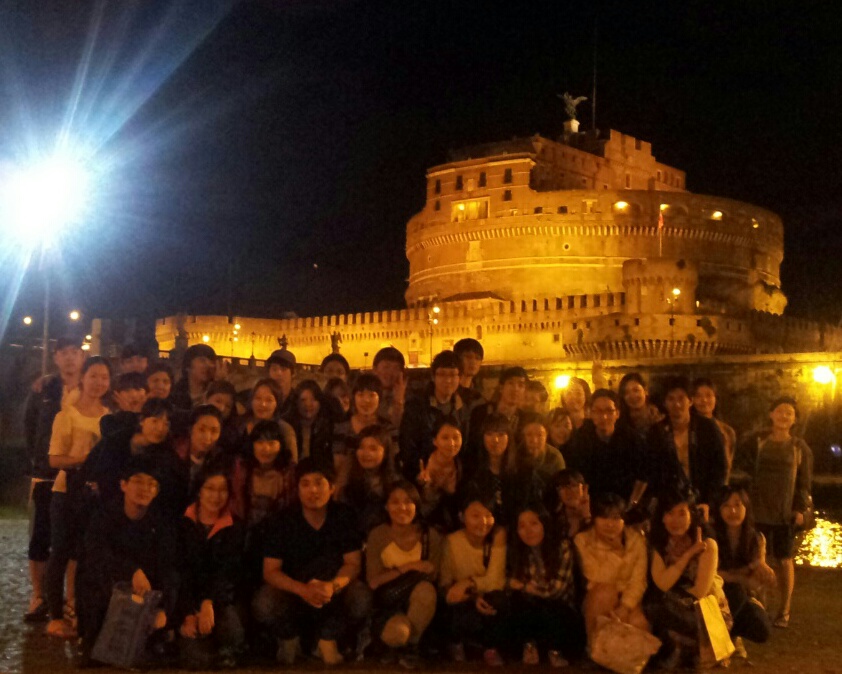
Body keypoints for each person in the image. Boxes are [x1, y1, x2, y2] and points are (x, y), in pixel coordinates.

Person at [252, 458, 372, 665]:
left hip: (332, 590)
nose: (313, 490)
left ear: (331, 488)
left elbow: (353, 564)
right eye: (305, 484)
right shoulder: (282, 520)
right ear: (297, 489)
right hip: (294, 591)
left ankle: (329, 637)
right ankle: (289, 637)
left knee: (361, 597)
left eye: (319, 483)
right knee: (264, 602)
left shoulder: (344, 516)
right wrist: (302, 590)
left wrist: (332, 586)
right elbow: (270, 571)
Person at [75, 456, 178, 666]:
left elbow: (169, 567)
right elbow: (96, 556)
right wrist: (131, 572)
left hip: (146, 596)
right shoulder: (103, 517)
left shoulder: (161, 524)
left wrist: (164, 608)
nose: (145, 489)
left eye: (151, 484)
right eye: (138, 481)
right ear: (123, 485)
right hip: (109, 591)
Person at [45, 356, 111, 638]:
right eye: (93, 375)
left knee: (84, 555)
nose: (99, 382)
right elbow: (54, 459)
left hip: (94, 496)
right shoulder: (67, 415)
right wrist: (84, 460)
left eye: (104, 377)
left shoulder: (109, 418)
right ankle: (55, 616)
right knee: (60, 552)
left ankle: (77, 609)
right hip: (67, 492)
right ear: (82, 378)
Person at [732, 397, 812, 629]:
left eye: (789, 413)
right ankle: (760, 605)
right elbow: (742, 468)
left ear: (794, 419)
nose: (784, 416)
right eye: (780, 411)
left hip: (784, 512)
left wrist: (799, 509)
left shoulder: (799, 447)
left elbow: (804, 482)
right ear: (771, 414)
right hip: (757, 509)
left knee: (784, 559)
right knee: (759, 558)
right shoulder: (758, 441)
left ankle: (784, 609)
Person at [23, 335, 84, 623]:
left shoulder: (90, 388)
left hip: (77, 474)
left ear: (82, 357)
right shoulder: (44, 389)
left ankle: (71, 598)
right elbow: (30, 427)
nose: (69, 357)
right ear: (56, 357)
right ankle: (39, 596)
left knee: (73, 540)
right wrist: (39, 458)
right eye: (64, 352)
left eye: (75, 352)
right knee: (40, 537)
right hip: (46, 474)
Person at [645, 489, 729, 669]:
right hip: (673, 607)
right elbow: (663, 583)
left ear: (692, 515)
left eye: (682, 513)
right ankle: (684, 650)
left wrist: (672, 598)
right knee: (653, 603)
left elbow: (700, 592)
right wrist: (689, 554)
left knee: (660, 605)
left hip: (704, 612)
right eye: (670, 513)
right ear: (662, 517)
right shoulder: (660, 545)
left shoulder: (708, 545)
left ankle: (692, 648)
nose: (676, 520)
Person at [366, 481, 442, 668]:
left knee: (426, 590)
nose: (402, 507)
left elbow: (432, 574)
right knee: (398, 633)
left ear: (417, 505)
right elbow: (374, 582)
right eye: (395, 502)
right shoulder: (378, 535)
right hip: (389, 603)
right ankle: (396, 643)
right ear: (386, 506)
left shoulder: (429, 536)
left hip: (418, 603)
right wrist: (408, 567)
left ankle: (412, 646)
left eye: (408, 502)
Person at [177, 467, 246, 669]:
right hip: (188, 600)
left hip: (220, 599)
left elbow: (227, 570)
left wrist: (208, 601)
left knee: (232, 632)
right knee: (198, 659)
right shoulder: (182, 523)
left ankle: (226, 647)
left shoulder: (235, 526)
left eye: (222, 490)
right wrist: (188, 612)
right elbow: (179, 570)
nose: (216, 496)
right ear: (199, 490)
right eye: (210, 488)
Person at [508, 505, 585, 666]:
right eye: (522, 526)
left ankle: (555, 650)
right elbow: (513, 584)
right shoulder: (521, 552)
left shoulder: (562, 547)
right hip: (535, 609)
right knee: (519, 603)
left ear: (544, 524)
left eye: (534, 523)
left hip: (561, 612)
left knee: (549, 608)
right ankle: (530, 647)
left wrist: (525, 587)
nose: (528, 531)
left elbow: (555, 591)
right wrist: (523, 588)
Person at [439, 495, 508, 666]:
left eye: (488, 515)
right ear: (462, 517)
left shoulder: (497, 537)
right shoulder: (451, 542)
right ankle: (456, 644)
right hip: (464, 599)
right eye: (475, 515)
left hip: (486, 594)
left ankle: (490, 648)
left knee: (496, 600)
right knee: (453, 603)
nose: (483, 522)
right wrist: (472, 597)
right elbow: (445, 582)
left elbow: (496, 580)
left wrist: (469, 583)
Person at [574, 493, 649, 649]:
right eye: (604, 517)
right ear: (595, 518)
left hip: (627, 597)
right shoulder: (583, 540)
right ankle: (595, 650)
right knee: (605, 593)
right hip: (597, 597)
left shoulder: (636, 540)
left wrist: (625, 606)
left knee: (638, 623)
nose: (610, 524)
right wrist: (616, 552)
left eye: (616, 518)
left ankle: (622, 659)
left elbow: (639, 580)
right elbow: (595, 576)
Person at [646, 376, 727, 511]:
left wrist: (709, 502)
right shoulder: (656, 432)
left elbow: (719, 469)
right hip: (670, 505)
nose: (677, 404)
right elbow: (652, 472)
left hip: (703, 503)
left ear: (690, 401)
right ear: (665, 403)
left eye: (681, 398)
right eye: (671, 399)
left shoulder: (707, 428)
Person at [711, 486, 773, 653]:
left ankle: (732, 633)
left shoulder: (755, 538)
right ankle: (725, 640)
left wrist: (763, 570)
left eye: (738, 505)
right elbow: (712, 573)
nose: (733, 511)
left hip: (744, 596)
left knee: (762, 629)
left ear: (746, 507)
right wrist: (742, 578)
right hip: (715, 593)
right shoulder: (711, 536)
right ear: (719, 509)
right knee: (734, 590)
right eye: (726, 505)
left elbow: (758, 567)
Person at [564, 389, 648, 507]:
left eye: (609, 411)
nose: (604, 417)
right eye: (598, 411)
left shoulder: (632, 439)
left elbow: (643, 474)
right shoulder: (580, 441)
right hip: (592, 504)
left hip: (625, 504)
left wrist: (633, 502)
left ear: (617, 413)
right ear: (590, 413)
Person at [399, 350, 468, 483]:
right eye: (442, 374)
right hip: (424, 475)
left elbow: (466, 445)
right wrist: (419, 472)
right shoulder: (417, 407)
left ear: (460, 378)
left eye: (453, 375)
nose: (448, 380)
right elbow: (407, 445)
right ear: (433, 377)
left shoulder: (464, 408)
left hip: (454, 477)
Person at [335, 424, 399, 536]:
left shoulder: (395, 483)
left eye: (373, 448)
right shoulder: (348, 482)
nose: (366, 453)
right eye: (361, 447)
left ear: (385, 452)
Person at [466, 367, 528, 480]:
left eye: (521, 385)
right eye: (511, 383)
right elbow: (472, 445)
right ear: (501, 388)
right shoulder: (481, 412)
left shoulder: (525, 419)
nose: (515, 389)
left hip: (512, 474)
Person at [332, 374, 397, 472]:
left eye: (372, 395)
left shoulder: (388, 429)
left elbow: (393, 462)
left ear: (380, 398)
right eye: (361, 395)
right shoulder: (341, 428)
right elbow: (338, 464)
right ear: (353, 397)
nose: (366, 400)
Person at [415, 417, 465, 531]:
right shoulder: (420, 463)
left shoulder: (463, 465)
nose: (451, 443)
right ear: (434, 440)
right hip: (423, 524)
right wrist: (423, 485)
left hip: (452, 525)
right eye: (445, 438)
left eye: (456, 437)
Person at [238, 378, 297, 462]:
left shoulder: (284, 430)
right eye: (258, 398)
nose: (263, 404)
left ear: (277, 403)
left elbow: (292, 464)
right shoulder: (240, 425)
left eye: (269, 400)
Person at [174, 405, 224, 498]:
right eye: (202, 429)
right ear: (190, 429)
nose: (208, 437)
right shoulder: (173, 455)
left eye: (214, 431)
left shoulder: (218, 460)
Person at [692, 378, 738, 478]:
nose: (704, 400)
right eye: (698, 396)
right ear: (691, 400)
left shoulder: (727, 431)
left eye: (708, 395)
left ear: (715, 398)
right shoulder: (687, 428)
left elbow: (727, 465)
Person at [285, 380, 334, 464]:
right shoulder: (287, 427)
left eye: (313, 399)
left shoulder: (328, 427)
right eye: (303, 400)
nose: (308, 404)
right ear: (296, 402)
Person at [513, 412, 566, 487]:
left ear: (546, 435)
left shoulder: (555, 458)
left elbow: (561, 486)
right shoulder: (514, 455)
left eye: (540, 435)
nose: (534, 440)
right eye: (529, 435)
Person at [170, 344, 217, 412]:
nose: (208, 365)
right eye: (202, 361)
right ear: (188, 366)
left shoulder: (214, 393)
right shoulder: (174, 395)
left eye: (211, 362)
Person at [549, 469, 590, 540]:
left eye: (574, 486)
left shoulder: (599, 515)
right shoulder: (552, 521)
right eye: (563, 487)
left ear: (584, 488)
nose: (569, 492)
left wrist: (587, 516)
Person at [373, 346, 407, 428]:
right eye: (386, 367)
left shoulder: (409, 400)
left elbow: (398, 426)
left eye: (396, 368)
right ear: (375, 369)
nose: (390, 372)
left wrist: (398, 400)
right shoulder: (365, 395)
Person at [204, 380, 240, 455]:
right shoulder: (191, 421)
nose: (222, 409)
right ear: (206, 398)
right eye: (218, 401)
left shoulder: (230, 438)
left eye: (228, 406)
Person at [453, 338, 485, 410]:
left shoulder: (479, 398)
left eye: (477, 358)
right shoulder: (448, 393)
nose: (473, 362)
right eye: (468, 357)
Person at [617, 373, 652, 438]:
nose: (632, 396)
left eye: (636, 390)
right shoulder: (620, 424)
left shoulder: (659, 418)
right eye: (627, 392)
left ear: (646, 391)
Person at [265, 349, 296, 418]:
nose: (278, 373)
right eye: (274, 369)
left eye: (284, 369)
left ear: (293, 373)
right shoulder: (261, 400)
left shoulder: (298, 402)